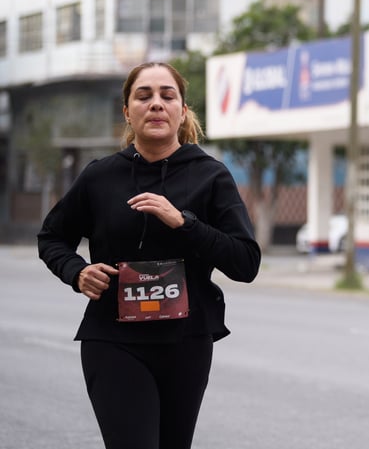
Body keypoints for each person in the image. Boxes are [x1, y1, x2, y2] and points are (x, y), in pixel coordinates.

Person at [37, 61, 261, 449]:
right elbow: (52, 237)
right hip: (112, 339)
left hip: (186, 344)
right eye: (144, 96)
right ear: (127, 111)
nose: (156, 104)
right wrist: (76, 272)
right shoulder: (100, 176)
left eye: (167, 95)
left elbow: (246, 263)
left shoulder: (211, 176)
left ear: (182, 110)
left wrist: (183, 222)